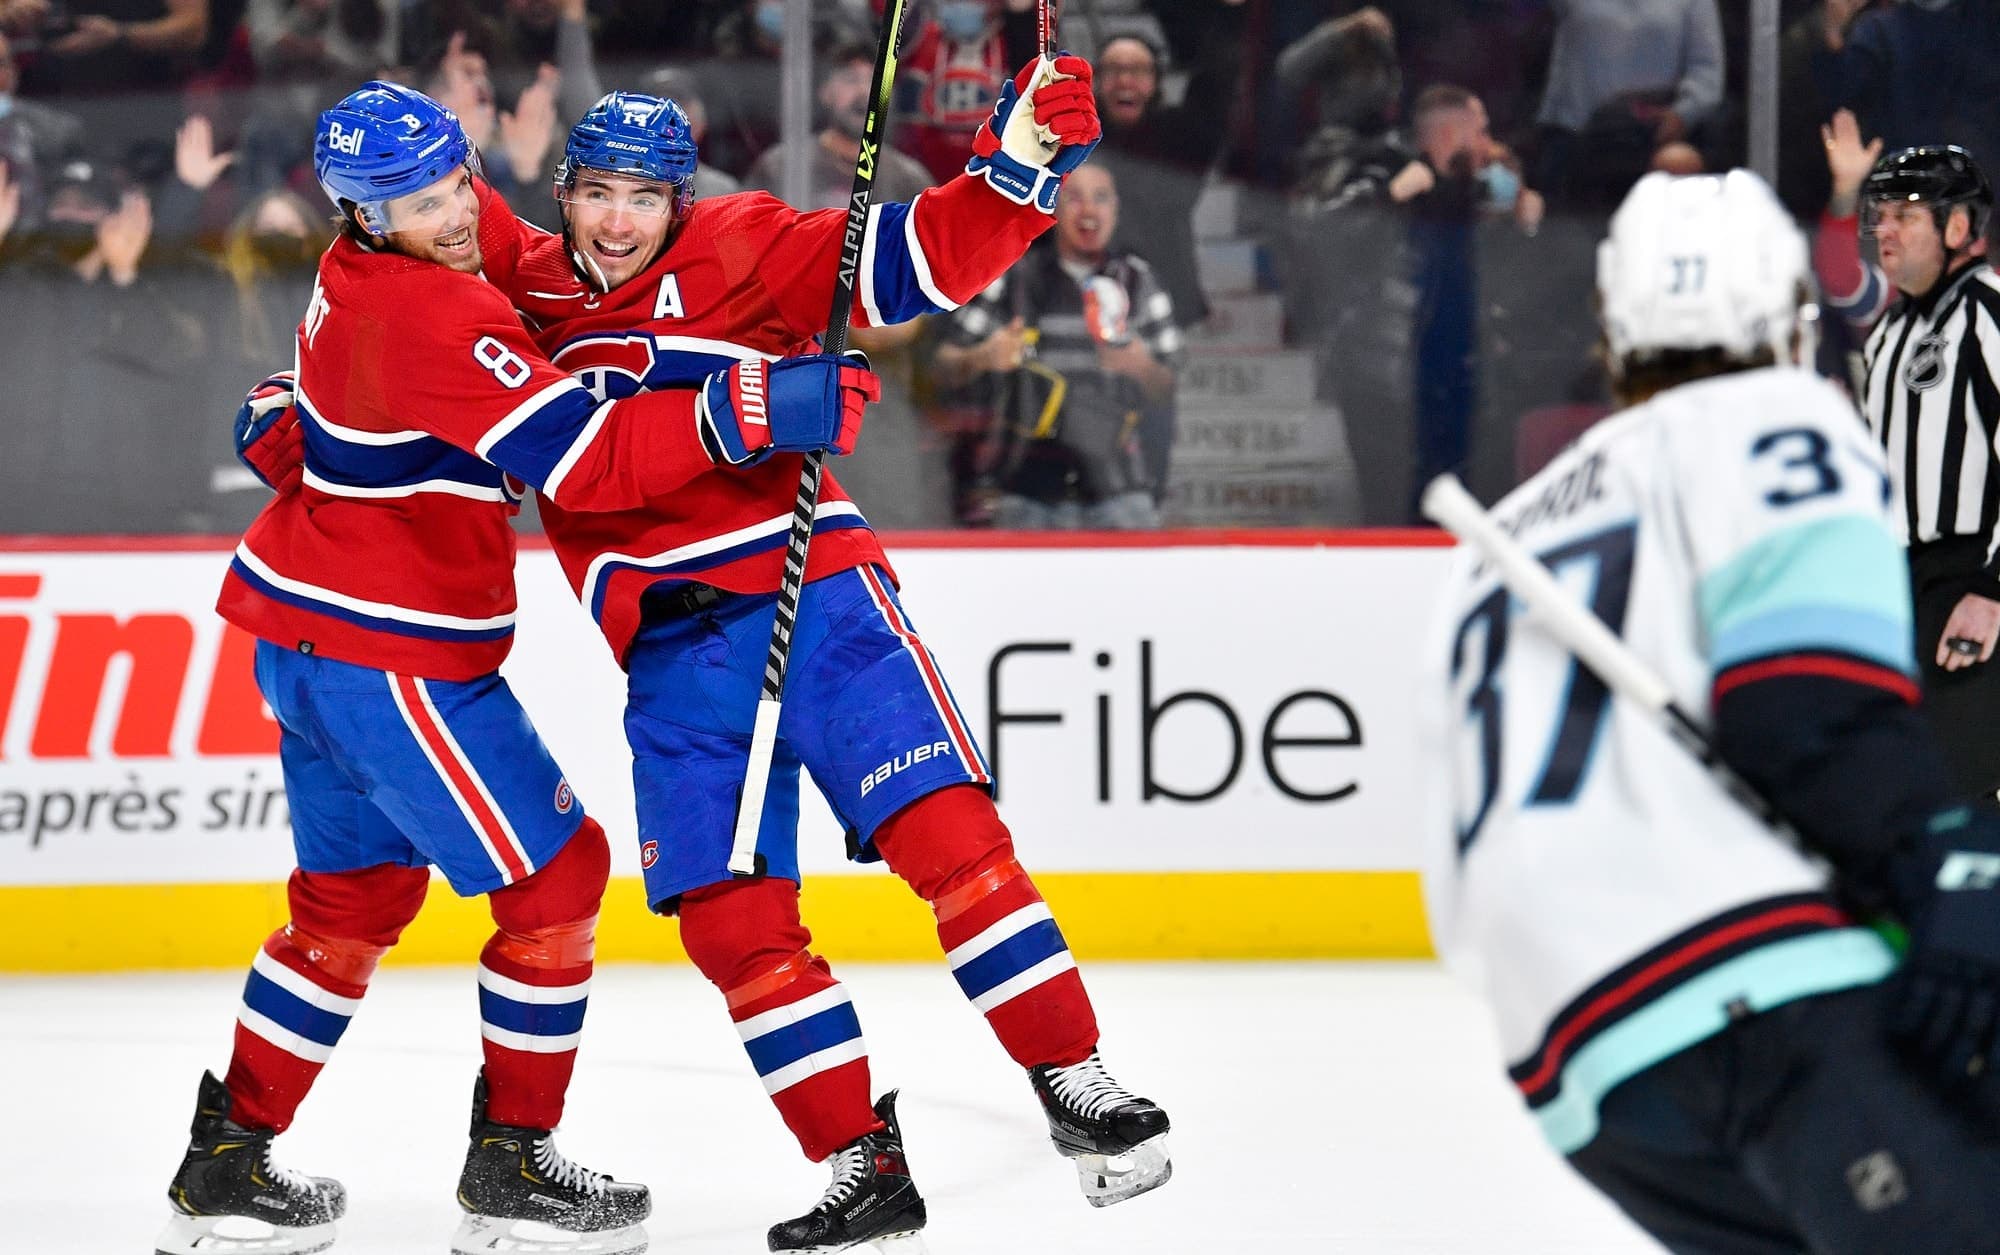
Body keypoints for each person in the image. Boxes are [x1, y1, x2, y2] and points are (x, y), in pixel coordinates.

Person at [161, 80, 877, 1255]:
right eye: (420, 204)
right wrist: (749, 406)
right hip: (389, 652)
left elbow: (373, 376)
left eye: (457, 182)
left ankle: (227, 1162)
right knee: (558, 879)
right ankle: (511, 1164)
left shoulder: (360, 268)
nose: (454, 213)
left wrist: (300, 412)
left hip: (305, 637)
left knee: (351, 903)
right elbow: (585, 460)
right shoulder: (439, 312)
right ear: (363, 216)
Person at [487, 66, 1168, 1252]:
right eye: (595, 193)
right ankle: (861, 1162)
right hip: (674, 655)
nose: (615, 221)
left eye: (642, 198)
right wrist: (308, 388)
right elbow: (412, 278)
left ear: (679, 199)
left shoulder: (744, 240)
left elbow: (907, 262)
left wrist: (1012, 169)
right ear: (564, 193)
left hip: (818, 600)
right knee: (729, 921)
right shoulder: (524, 288)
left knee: (951, 839)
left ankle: (1073, 1076)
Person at [1424, 168, 2000, 1254]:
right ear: (1785, 314)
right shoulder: (1779, 422)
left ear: (1613, 326)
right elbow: (1807, 715)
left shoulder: (1506, 540)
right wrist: (1945, 857)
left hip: (1580, 1071)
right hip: (1760, 992)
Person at [1820, 138, 2000, 803]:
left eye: (1905, 215)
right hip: (1896, 584)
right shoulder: (1892, 330)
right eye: (1882, 215)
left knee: (1964, 791)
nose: (1884, 231)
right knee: (1893, 785)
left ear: (1957, 227)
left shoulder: (1988, 313)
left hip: (1968, 577)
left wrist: (1992, 588)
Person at [933, 160, 1182, 528]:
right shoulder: (1014, 277)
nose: (1089, 210)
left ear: (1115, 210)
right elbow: (942, 366)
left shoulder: (1138, 281)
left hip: (1121, 493)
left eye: (1101, 198)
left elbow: (1168, 387)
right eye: (1074, 198)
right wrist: (983, 356)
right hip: (1025, 493)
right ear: (1054, 207)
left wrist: (1141, 366)